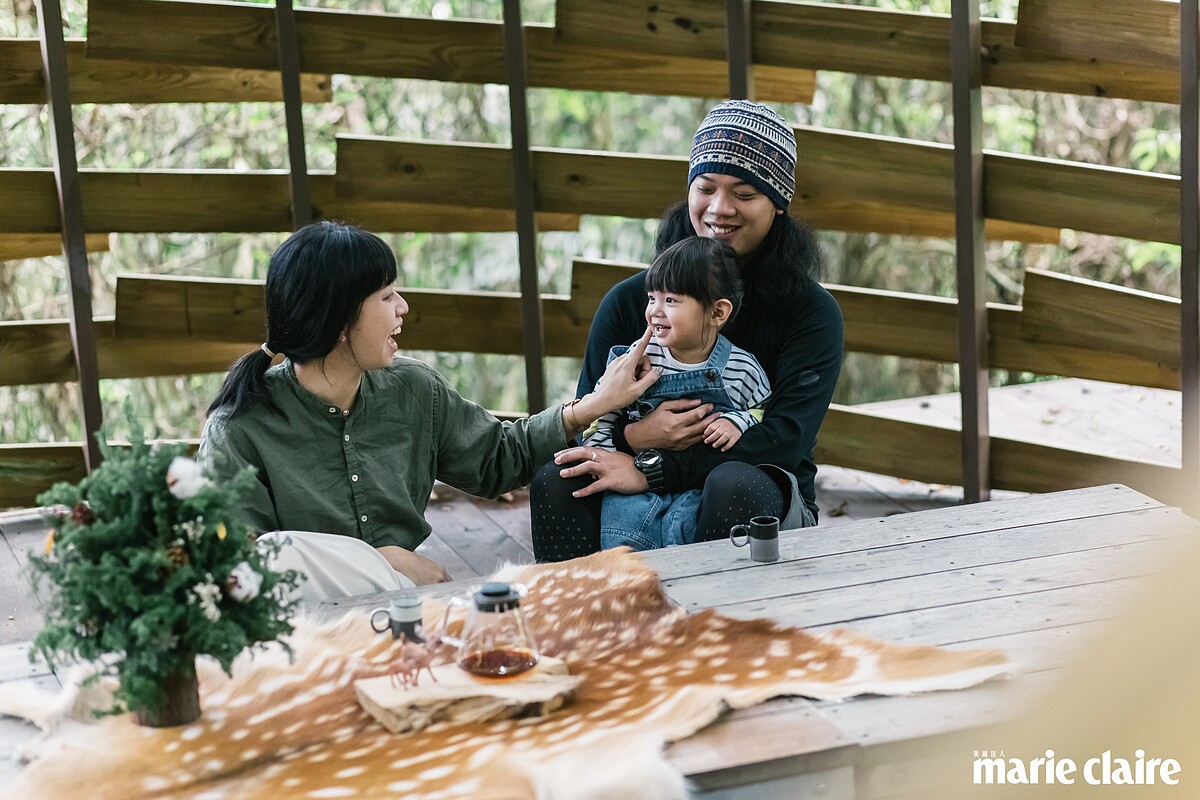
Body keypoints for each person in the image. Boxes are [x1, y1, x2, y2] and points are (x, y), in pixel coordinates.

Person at [199, 221, 659, 597]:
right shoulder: (238, 428)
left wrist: (593, 405)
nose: (403, 307)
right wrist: (380, 562)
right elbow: (239, 562)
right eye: (385, 296)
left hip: (410, 605)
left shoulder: (414, 390)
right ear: (338, 321)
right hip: (301, 628)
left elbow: (499, 459)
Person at [530, 99, 844, 561]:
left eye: (745, 193)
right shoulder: (628, 302)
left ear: (778, 204)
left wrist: (655, 470)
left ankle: (720, 626)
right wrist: (636, 439)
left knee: (732, 483)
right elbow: (587, 421)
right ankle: (581, 621)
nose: (720, 209)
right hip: (632, 479)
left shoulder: (811, 313)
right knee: (559, 477)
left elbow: (784, 439)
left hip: (752, 482)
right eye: (707, 187)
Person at [584, 235, 771, 551]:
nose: (655, 311)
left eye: (670, 301)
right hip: (633, 481)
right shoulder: (636, 360)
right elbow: (599, 412)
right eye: (651, 298)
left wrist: (738, 422)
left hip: (698, 486)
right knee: (625, 547)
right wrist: (603, 453)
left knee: (685, 543)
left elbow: (761, 410)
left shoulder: (739, 368)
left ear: (717, 313)